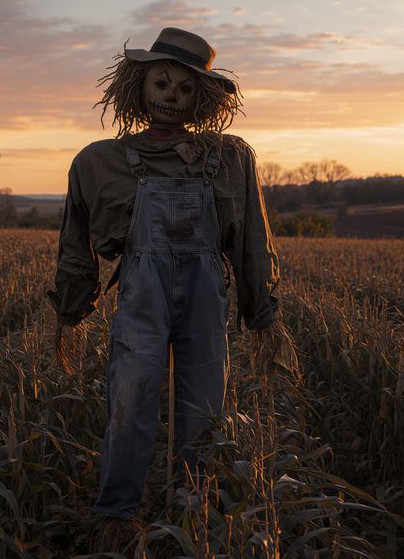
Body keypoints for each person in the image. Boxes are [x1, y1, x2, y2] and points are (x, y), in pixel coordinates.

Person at [48, 27, 296, 549]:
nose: (171, 97)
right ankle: (115, 512)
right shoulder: (98, 161)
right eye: (162, 83)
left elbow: (253, 239)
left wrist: (263, 313)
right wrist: (70, 315)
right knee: (131, 397)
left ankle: (194, 510)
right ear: (137, 85)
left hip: (207, 295)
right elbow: (76, 245)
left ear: (201, 99)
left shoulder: (231, 158)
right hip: (140, 293)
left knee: (204, 403)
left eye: (185, 90)